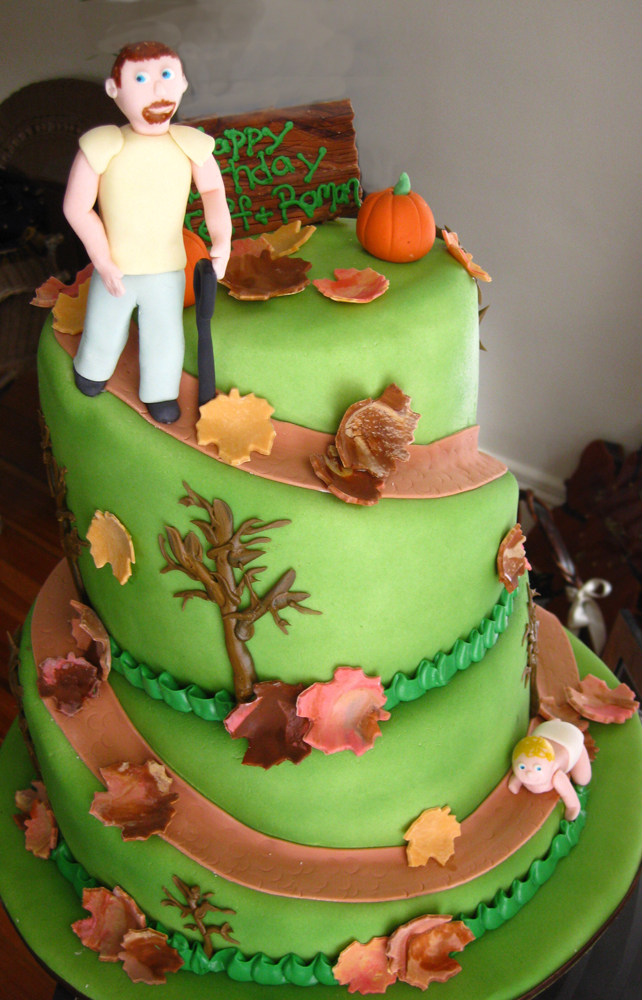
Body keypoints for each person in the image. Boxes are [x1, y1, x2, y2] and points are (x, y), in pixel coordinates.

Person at [63, 41, 232, 423]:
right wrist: (102, 259)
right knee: (104, 329)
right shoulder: (103, 145)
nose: (158, 91)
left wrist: (222, 240)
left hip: (168, 268)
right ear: (114, 89)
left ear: (183, 82)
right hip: (117, 268)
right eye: (141, 79)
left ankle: (160, 393)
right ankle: (91, 370)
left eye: (166, 76)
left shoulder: (190, 146)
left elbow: (213, 192)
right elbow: (76, 207)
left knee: (165, 337)